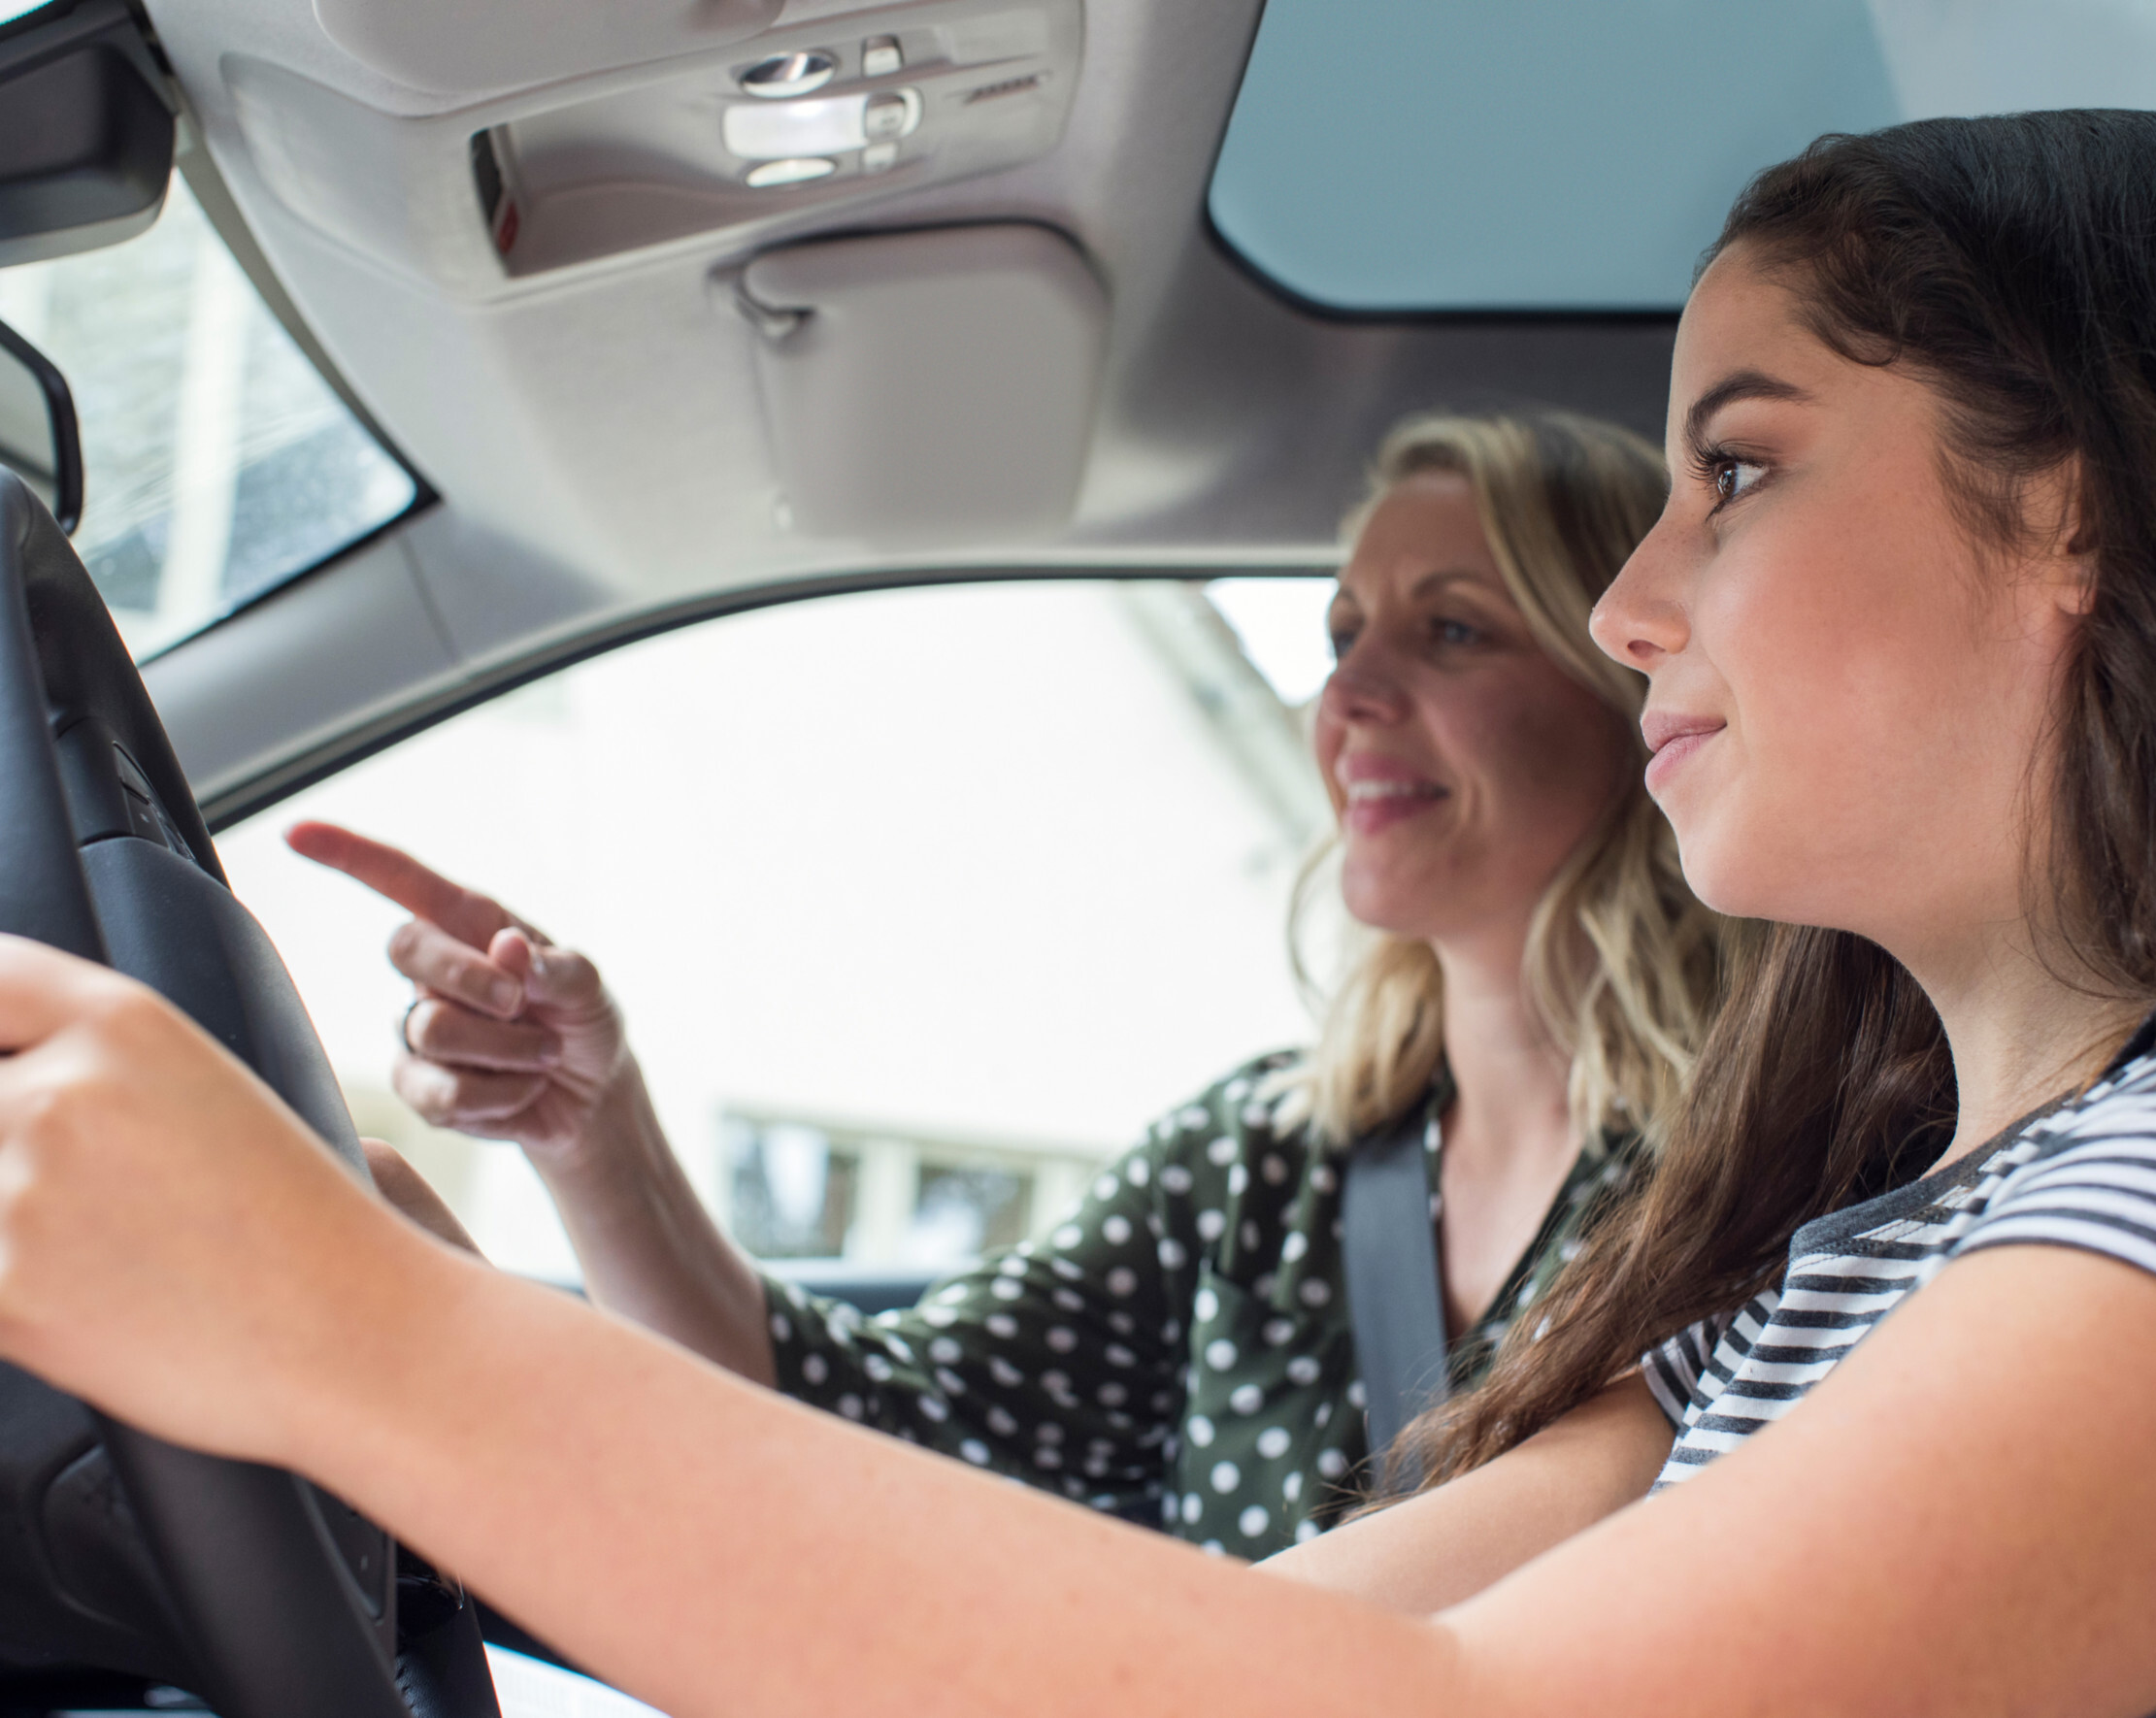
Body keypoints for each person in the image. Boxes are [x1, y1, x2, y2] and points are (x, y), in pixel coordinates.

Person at [0, 109, 2156, 1718]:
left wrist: (372, 1348)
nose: (1637, 603)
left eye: (1741, 470)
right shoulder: (1855, 1254)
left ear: (2076, 520)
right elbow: (1331, 1634)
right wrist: (405, 1315)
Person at [277, 407, 1725, 1554]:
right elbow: (863, 1432)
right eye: (1343, 634)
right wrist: (595, 1135)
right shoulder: (1263, 1163)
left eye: (1452, 626)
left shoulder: (1755, 1187)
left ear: (1632, 689)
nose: (1345, 696)